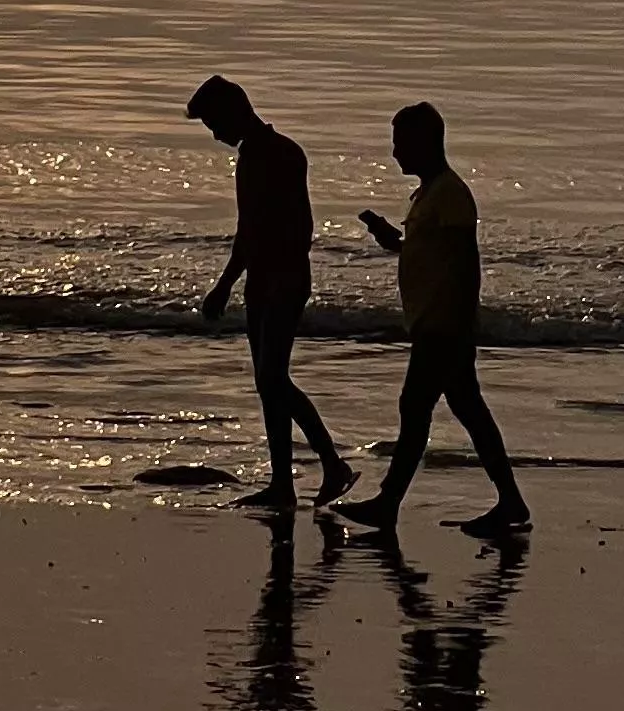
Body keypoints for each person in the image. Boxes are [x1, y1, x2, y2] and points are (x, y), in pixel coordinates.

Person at [335, 102, 533, 541]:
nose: (395, 153)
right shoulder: (430, 194)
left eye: (401, 143)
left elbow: (466, 264)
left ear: (424, 143)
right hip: (435, 324)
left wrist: (460, 327)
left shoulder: (450, 194)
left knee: (417, 410)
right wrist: (392, 240)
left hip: (444, 327)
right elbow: (429, 255)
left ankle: (388, 504)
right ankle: (510, 501)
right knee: (465, 412)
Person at [187, 76, 354, 511]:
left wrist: (223, 286)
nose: (214, 133)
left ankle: (330, 464)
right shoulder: (280, 152)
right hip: (272, 278)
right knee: (269, 383)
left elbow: (254, 230)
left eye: (213, 122)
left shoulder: (264, 156)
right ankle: (284, 481)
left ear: (233, 112)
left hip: (280, 280)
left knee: (272, 379)